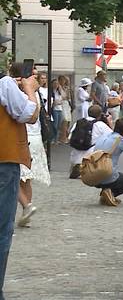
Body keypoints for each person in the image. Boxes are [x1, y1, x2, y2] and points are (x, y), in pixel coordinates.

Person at [0, 64, 39, 298]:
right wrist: (30, 89)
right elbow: (30, 115)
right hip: (3, 161)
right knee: (2, 229)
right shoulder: (4, 84)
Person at [7, 64, 51, 229]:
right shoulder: (35, 93)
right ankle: (27, 210)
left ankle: (27, 206)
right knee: (26, 179)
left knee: (13, 177)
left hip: (23, 138)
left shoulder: (18, 92)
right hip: (35, 138)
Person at [93, 118, 123, 206]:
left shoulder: (105, 135)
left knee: (115, 172)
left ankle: (106, 193)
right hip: (108, 175)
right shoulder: (121, 141)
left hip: (95, 175)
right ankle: (110, 193)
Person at [68, 105, 113, 179]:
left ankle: (77, 165)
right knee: (102, 144)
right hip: (90, 154)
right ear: (100, 115)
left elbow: (70, 137)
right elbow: (112, 136)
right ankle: (88, 168)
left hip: (75, 153)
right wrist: (109, 122)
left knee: (78, 157)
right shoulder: (100, 125)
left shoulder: (78, 123)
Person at [58, 75, 73, 143]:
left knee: (68, 120)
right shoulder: (59, 87)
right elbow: (63, 96)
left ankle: (65, 136)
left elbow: (68, 97)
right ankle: (62, 137)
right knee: (64, 120)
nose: (64, 82)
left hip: (67, 104)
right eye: (63, 80)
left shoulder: (66, 88)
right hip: (62, 104)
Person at [51, 78, 63, 143]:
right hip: (55, 109)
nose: (56, 85)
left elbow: (62, 100)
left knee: (59, 125)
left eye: (57, 84)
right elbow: (54, 102)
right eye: (55, 84)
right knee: (55, 125)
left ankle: (56, 139)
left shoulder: (59, 92)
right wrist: (57, 102)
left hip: (60, 109)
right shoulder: (52, 92)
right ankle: (53, 138)